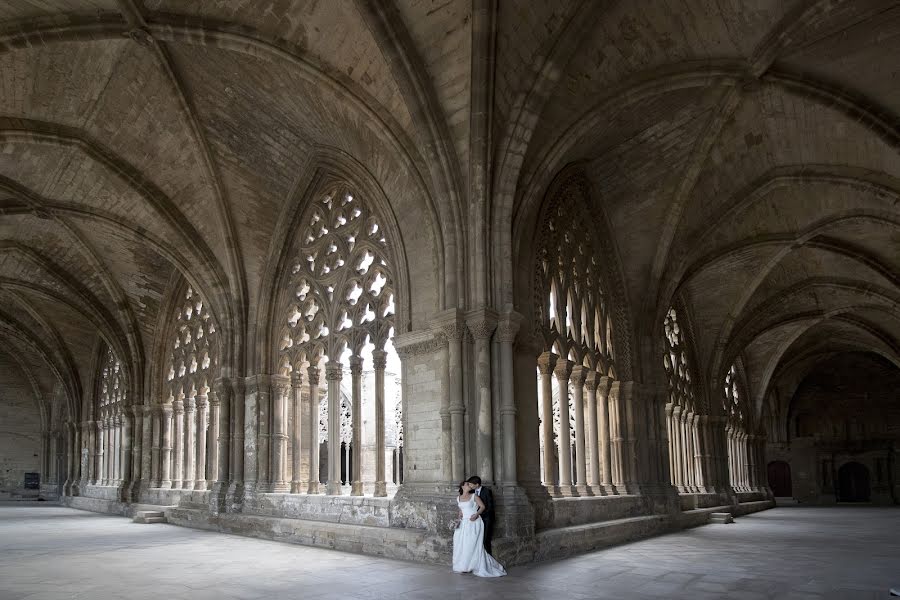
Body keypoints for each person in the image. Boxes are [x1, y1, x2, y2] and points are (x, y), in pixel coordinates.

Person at [452, 481, 506, 577]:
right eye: (467, 484)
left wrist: (476, 514)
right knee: (462, 544)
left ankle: (473, 565)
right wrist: (458, 519)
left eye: (470, 484)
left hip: (474, 522)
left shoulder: (474, 496)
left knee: (471, 543)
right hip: (464, 523)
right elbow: (461, 511)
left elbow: (482, 507)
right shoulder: (458, 498)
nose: (470, 486)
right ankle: (464, 566)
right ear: (462, 486)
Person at [466, 475, 494, 553]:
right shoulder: (471, 492)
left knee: (485, 539)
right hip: (475, 520)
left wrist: (479, 514)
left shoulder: (487, 491)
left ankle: (488, 557)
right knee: (476, 539)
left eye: (471, 484)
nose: (469, 486)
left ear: (477, 484)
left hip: (486, 518)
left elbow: (490, 506)